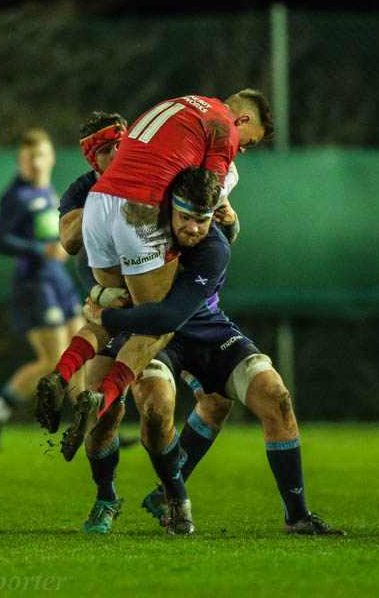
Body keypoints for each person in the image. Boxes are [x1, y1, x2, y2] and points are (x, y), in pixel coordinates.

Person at [85, 167, 344, 536]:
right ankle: (173, 496)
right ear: (169, 209)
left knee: (276, 397)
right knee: (157, 411)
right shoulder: (138, 229)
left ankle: (297, 517)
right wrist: (99, 294)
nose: (192, 228)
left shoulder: (214, 247)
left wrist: (103, 312)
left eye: (202, 220)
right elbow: (92, 256)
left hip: (203, 326)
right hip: (153, 334)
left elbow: (173, 313)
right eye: (185, 218)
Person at [36, 91, 272, 462]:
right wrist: (225, 215)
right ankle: (101, 398)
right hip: (142, 209)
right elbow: (201, 191)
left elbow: (69, 240)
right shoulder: (222, 127)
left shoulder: (184, 103)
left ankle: (62, 374)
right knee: (155, 323)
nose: (242, 150)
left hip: (99, 205)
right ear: (242, 121)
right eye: (250, 143)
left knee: (117, 306)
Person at [0, 129, 84, 450]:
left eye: (41, 156)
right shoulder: (17, 196)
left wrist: (60, 246)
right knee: (55, 359)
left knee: (81, 352)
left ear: (51, 159)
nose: (36, 163)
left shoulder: (48, 192)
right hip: (34, 283)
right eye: (30, 157)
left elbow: (50, 238)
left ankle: (92, 425)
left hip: (58, 280)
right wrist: (40, 250)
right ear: (21, 160)